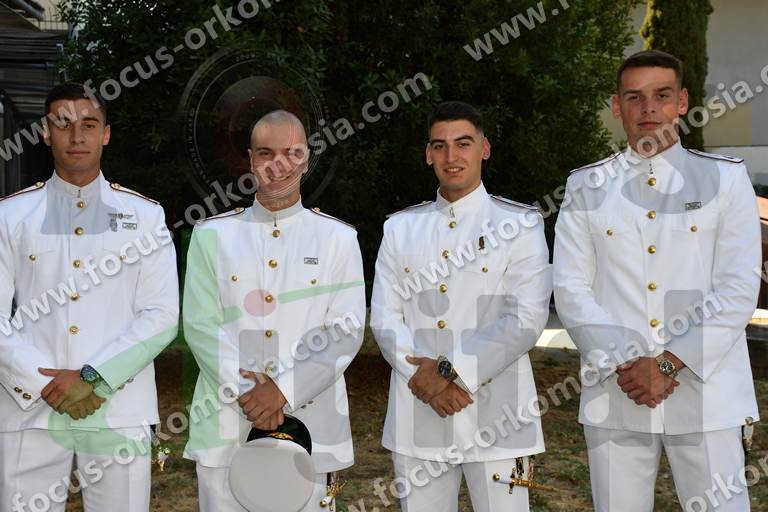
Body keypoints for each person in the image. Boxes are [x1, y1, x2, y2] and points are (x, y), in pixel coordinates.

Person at [553, 50, 760, 511]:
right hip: (618, 391)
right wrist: (630, 364)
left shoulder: (725, 180)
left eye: (662, 95)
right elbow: (570, 288)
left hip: (708, 393)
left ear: (682, 101)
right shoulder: (586, 186)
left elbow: (738, 288)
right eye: (634, 97)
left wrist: (667, 364)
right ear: (617, 106)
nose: (648, 108)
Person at [0, 82, 180, 511]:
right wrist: (44, 384)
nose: (76, 136)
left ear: (106, 134)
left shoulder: (144, 216)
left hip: (118, 405)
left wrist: (93, 379)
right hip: (31, 407)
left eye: (89, 124)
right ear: (45, 133)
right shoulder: (10, 215)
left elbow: (161, 315)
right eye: (63, 124)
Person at [370, 101, 552, 511]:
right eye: (440, 145)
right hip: (420, 409)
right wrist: (425, 380)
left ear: (484, 149)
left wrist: (449, 373)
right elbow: (384, 317)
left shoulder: (519, 224)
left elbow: (525, 319)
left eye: (463, 143)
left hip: (499, 416)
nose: (451, 156)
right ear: (428, 154)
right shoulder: (400, 228)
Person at [183, 109, 365, 511]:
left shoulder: (337, 238)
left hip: (310, 430)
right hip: (226, 426)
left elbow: (346, 331)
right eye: (266, 153)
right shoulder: (212, 235)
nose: (278, 165)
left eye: (291, 153)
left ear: (306, 159)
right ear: (251, 160)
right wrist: (249, 392)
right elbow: (200, 325)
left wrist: (283, 390)